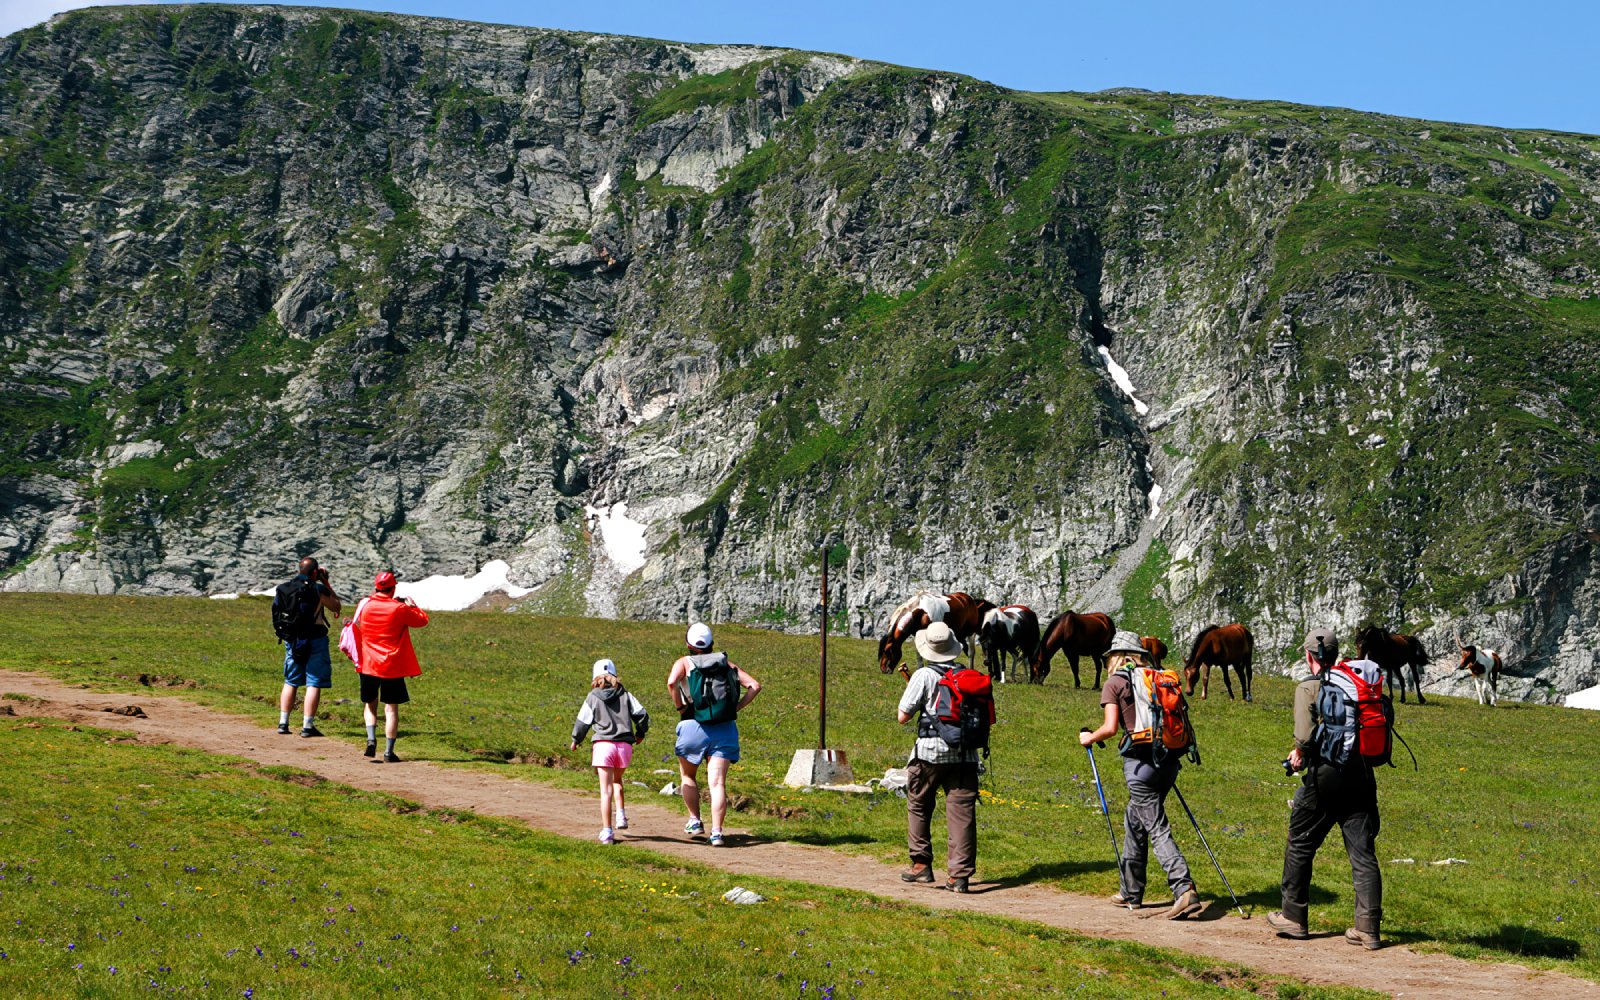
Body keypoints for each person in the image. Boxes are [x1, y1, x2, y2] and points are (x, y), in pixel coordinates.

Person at [1268, 628, 1384, 949]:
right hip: (1361, 772)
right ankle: (1368, 928)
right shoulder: (1356, 682)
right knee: (1362, 852)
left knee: (1301, 840)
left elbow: (1305, 738)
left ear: (1309, 656)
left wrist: (1300, 753)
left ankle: (1293, 916)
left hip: (1327, 774)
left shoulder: (1310, 686)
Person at [1078, 630, 1202, 919]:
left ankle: (1184, 889)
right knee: (1135, 819)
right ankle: (1130, 891)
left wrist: (1089, 738)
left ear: (1115, 657)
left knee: (1155, 826)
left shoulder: (1115, 682)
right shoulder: (1157, 677)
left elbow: (1110, 728)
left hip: (1139, 764)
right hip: (1169, 761)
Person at [897, 621, 981, 893]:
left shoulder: (923, 675)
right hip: (966, 753)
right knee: (962, 814)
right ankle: (959, 877)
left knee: (919, 804)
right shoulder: (968, 674)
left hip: (930, 754)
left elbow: (903, 716)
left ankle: (921, 865)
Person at [666, 622, 760, 847]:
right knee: (717, 783)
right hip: (724, 727)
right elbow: (754, 686)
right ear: (711, 644)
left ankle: (695, 820)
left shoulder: (684, 662)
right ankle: (717, 833)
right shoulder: (725, 663)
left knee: (688, 776)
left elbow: (671, 682)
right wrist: (734, 708)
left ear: (688, 643)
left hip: (691, 725)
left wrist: (681, 707)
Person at [570, 658, 651, 844]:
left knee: (605, 790)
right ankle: (621, 815)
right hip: (624, 747)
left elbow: (582, 722)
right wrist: (640, 733)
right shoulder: (625, 694)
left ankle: (607, 832)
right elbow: (643, 715)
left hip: (603, 746)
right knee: (617, 780)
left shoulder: (592, 697)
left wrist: (576, 740)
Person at [351, 571, 428, 763]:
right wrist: (413, 605)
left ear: (376, 587)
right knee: (391, 708)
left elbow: (356, 624)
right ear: (393, 588)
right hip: (391, 664)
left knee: (370, 703)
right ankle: (389, 751)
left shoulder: (365, 605)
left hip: (368, 663)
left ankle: (370, 739)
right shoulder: (398, 608)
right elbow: (421, 621)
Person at [271, 556, 341, 737]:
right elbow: (336, 606)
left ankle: (283, 723)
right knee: (314, 682)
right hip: (315, 638)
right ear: (315, 572)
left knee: (290, 681)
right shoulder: (317, 589)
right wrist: (325, 581)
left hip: (292, 639)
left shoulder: (285, 588)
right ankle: (307, 726)